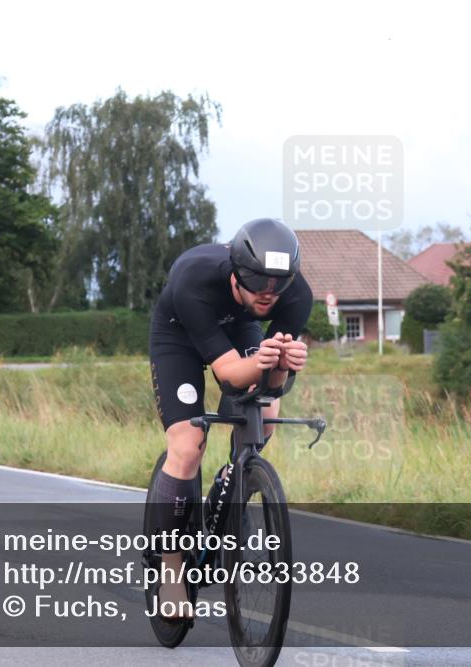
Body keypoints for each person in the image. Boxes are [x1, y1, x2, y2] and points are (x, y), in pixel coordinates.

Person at [147, 218, 312, 619]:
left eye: (277, 286)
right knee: (187, 446)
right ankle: (171, 569)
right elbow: (230, 375)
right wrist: (263, 361)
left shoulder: (295, 295)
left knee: (267, 414)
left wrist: (283, 363)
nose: (268, 295)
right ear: (237, 274)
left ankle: (233, 480)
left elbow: (268, 384)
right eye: (258, 284)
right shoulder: (195, 279)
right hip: (179, 336)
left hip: (240, 331)